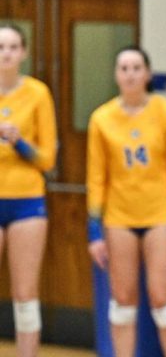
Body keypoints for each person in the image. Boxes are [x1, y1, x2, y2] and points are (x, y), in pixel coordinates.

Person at [86, 46, 166, 357]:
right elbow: (96, 178)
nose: (130, 74)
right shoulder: (101, 119)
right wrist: (94, 232)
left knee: (163, 300)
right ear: (116, 75)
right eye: (124, 68)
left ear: (147, 74)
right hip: (119, 217)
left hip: (159, 215)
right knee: (122, 300)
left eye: (136, 68)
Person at [0, 24, 57, 357]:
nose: (5, 53)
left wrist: (18, 142)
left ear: (23, 52)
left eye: (12, 47)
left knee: (25, 294)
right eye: (0, 47)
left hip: (26, 202)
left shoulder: (37, 93)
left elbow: (47, 159)